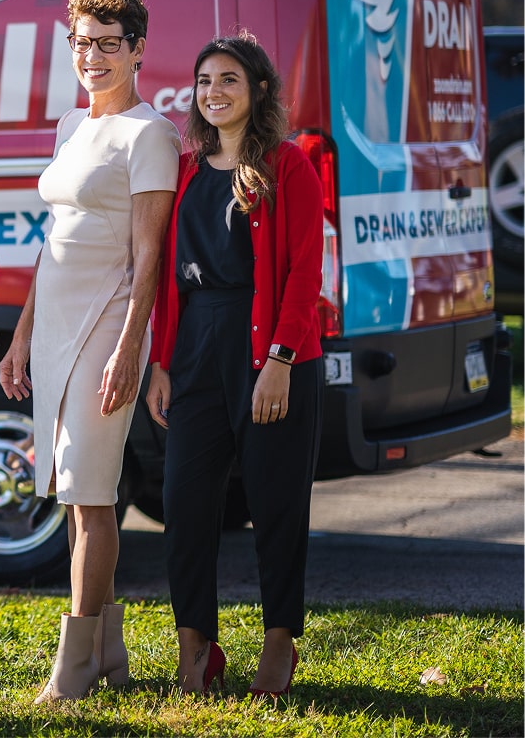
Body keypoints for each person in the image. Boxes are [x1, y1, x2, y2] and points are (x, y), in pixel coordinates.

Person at [0, 0, 179, 702]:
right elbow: (52, 245)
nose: (93, 56)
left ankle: (72, 664)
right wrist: (20, 337)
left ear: (137, 49)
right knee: (73, 495)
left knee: (93, 494)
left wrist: (129, 346)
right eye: (81, 42)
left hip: (107, 325)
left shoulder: (151, 135)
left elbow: (149, 257)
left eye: (108, 43)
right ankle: (106, 653)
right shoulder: (72, 125)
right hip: (55, 328)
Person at [145, 34, 324, 698]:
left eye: (227, 80)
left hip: (269, 350)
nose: (212, 91)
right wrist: (161, 362)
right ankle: (196, 646)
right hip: (194, 347)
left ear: (257, 92)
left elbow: (305, 272)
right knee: (184, 503)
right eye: (202, 81)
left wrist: (278, 361)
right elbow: (168, 277)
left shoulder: (287, 165)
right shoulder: (185, 169)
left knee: (277, 505)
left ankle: (279, 642)